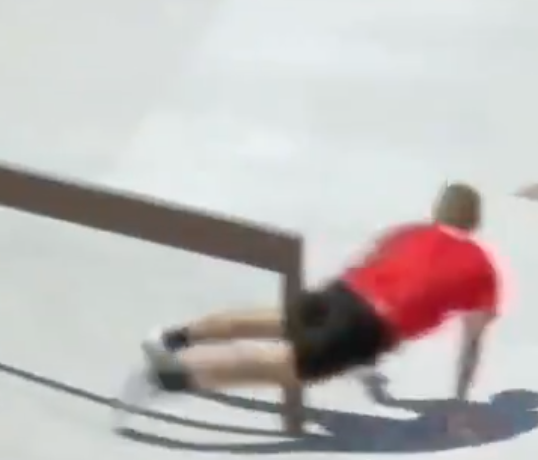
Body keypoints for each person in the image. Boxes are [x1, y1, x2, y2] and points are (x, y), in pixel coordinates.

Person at [136, 183, 501, 432]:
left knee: (273, 321)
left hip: (343, 291)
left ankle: (174, 337)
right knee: (283, 367)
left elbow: (370, 257)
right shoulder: (482, 266)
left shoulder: (409, 231)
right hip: (372, 325)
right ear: (475, 220)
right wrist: (458, 403)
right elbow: (471, 343)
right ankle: (172, 377)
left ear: (437, 212)